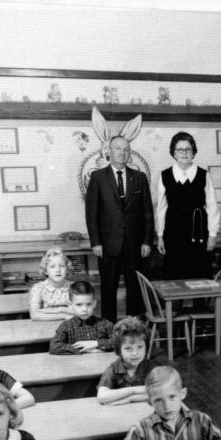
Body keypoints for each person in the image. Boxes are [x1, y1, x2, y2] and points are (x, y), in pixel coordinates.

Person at [85, 134, 154, 321]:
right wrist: (96, 243)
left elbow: (148, 212)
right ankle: (109, 327)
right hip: (108, 244)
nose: (122, 153)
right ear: (109, 151)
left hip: (135, 244)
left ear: (129, 153)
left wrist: (147, 241)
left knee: (135, 287)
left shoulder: (139, 178)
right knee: (108, 287)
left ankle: (133, 327)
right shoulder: (98, 177)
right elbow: (91, 214)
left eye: (126, 149)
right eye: (118, 148)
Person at [112, 365, 221, 440]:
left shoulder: (200, 419)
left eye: (172, 397)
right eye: (158, 400)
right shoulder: (141, 428)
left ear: (183, 393)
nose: (166, 406)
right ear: (149, 402)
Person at [155, 131, 221, 280]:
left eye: (188, 149)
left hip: (197, 231)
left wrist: (212, 235)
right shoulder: (165, 175)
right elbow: (161, 209)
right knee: (174, 274)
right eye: (180, 149)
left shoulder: (204, 175)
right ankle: (174, 304)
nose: (184, 153)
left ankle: (200, 304)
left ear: (193, 152)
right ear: (174, 152)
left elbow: (212, 207)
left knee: (199, 273)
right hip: (173, 231)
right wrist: (160, 236)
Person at [96, 316, 161, 405]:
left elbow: (162, 393)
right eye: (128, 348)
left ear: (146, 347)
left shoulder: (153, 368)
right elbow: (102, 396)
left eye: (140, 347)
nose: (135, 353)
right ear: (119, 350)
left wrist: (130, 398)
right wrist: (134, 390)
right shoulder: (114, 369)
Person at [48, 281, 115, 354]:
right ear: (70, 305)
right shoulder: (66, 326)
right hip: (77, 364)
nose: (84, 309)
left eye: (88, 304)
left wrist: (96, 343)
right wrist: (83, 349)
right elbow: (54, 346)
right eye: (79, 305)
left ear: (94, 304)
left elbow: (120, 341)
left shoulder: (105, 324)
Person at [28, 247, 74, 321]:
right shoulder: (38, 288)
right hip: (45, 328)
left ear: (67, 269)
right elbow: (34, 315)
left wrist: (60, 309)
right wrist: (63, 315)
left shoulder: (74, 287)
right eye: (52, 266)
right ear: (46, 271)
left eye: (62, 266)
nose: (58, 270)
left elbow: (80, 312)